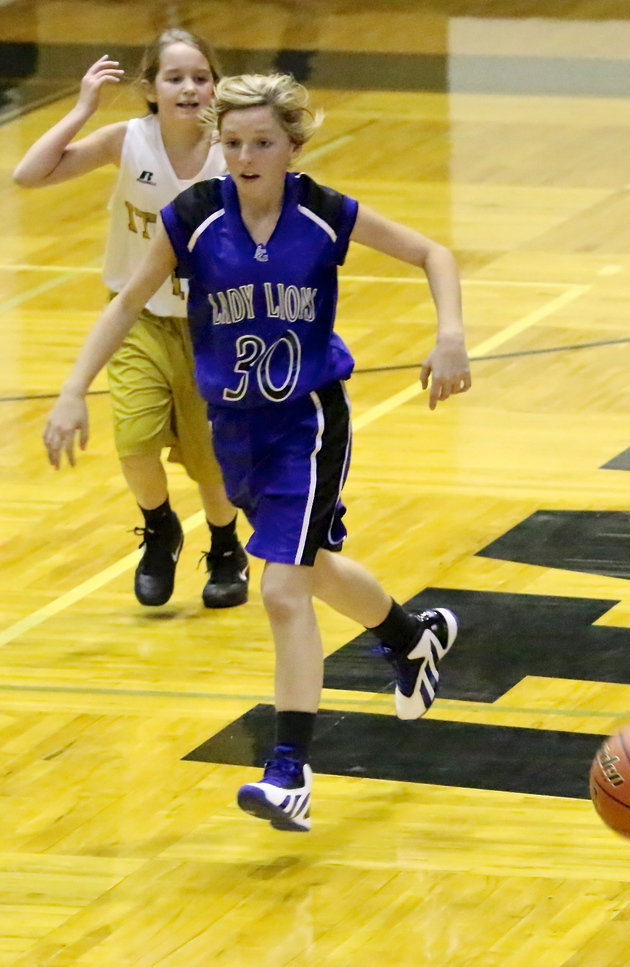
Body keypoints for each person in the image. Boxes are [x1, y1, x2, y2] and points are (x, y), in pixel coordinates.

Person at [43, 73, 472, 833]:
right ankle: (412, 637)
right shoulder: (195, 217)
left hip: (307, 424)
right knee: (312, 566)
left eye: (262, 142)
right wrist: (76, 386)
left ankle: (290, 770)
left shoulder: (322, 211)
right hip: (233, 429)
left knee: (281, 589)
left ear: (293, 146)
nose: (244, 156)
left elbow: (434, 253)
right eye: (232, 142)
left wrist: (449, 335)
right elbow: (127, 301)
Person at [14, 30, 249, 609]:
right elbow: (28, 174)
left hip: (212, 326)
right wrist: (81, 109)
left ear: (216, 87)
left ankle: (225, 545)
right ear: (149, 89)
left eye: (201, 77)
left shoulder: (234, 149)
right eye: (175, 78)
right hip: (136, 315)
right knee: (135, 441)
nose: (190, 88)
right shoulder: (128, 139)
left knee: (208, 461)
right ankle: (160, 527)